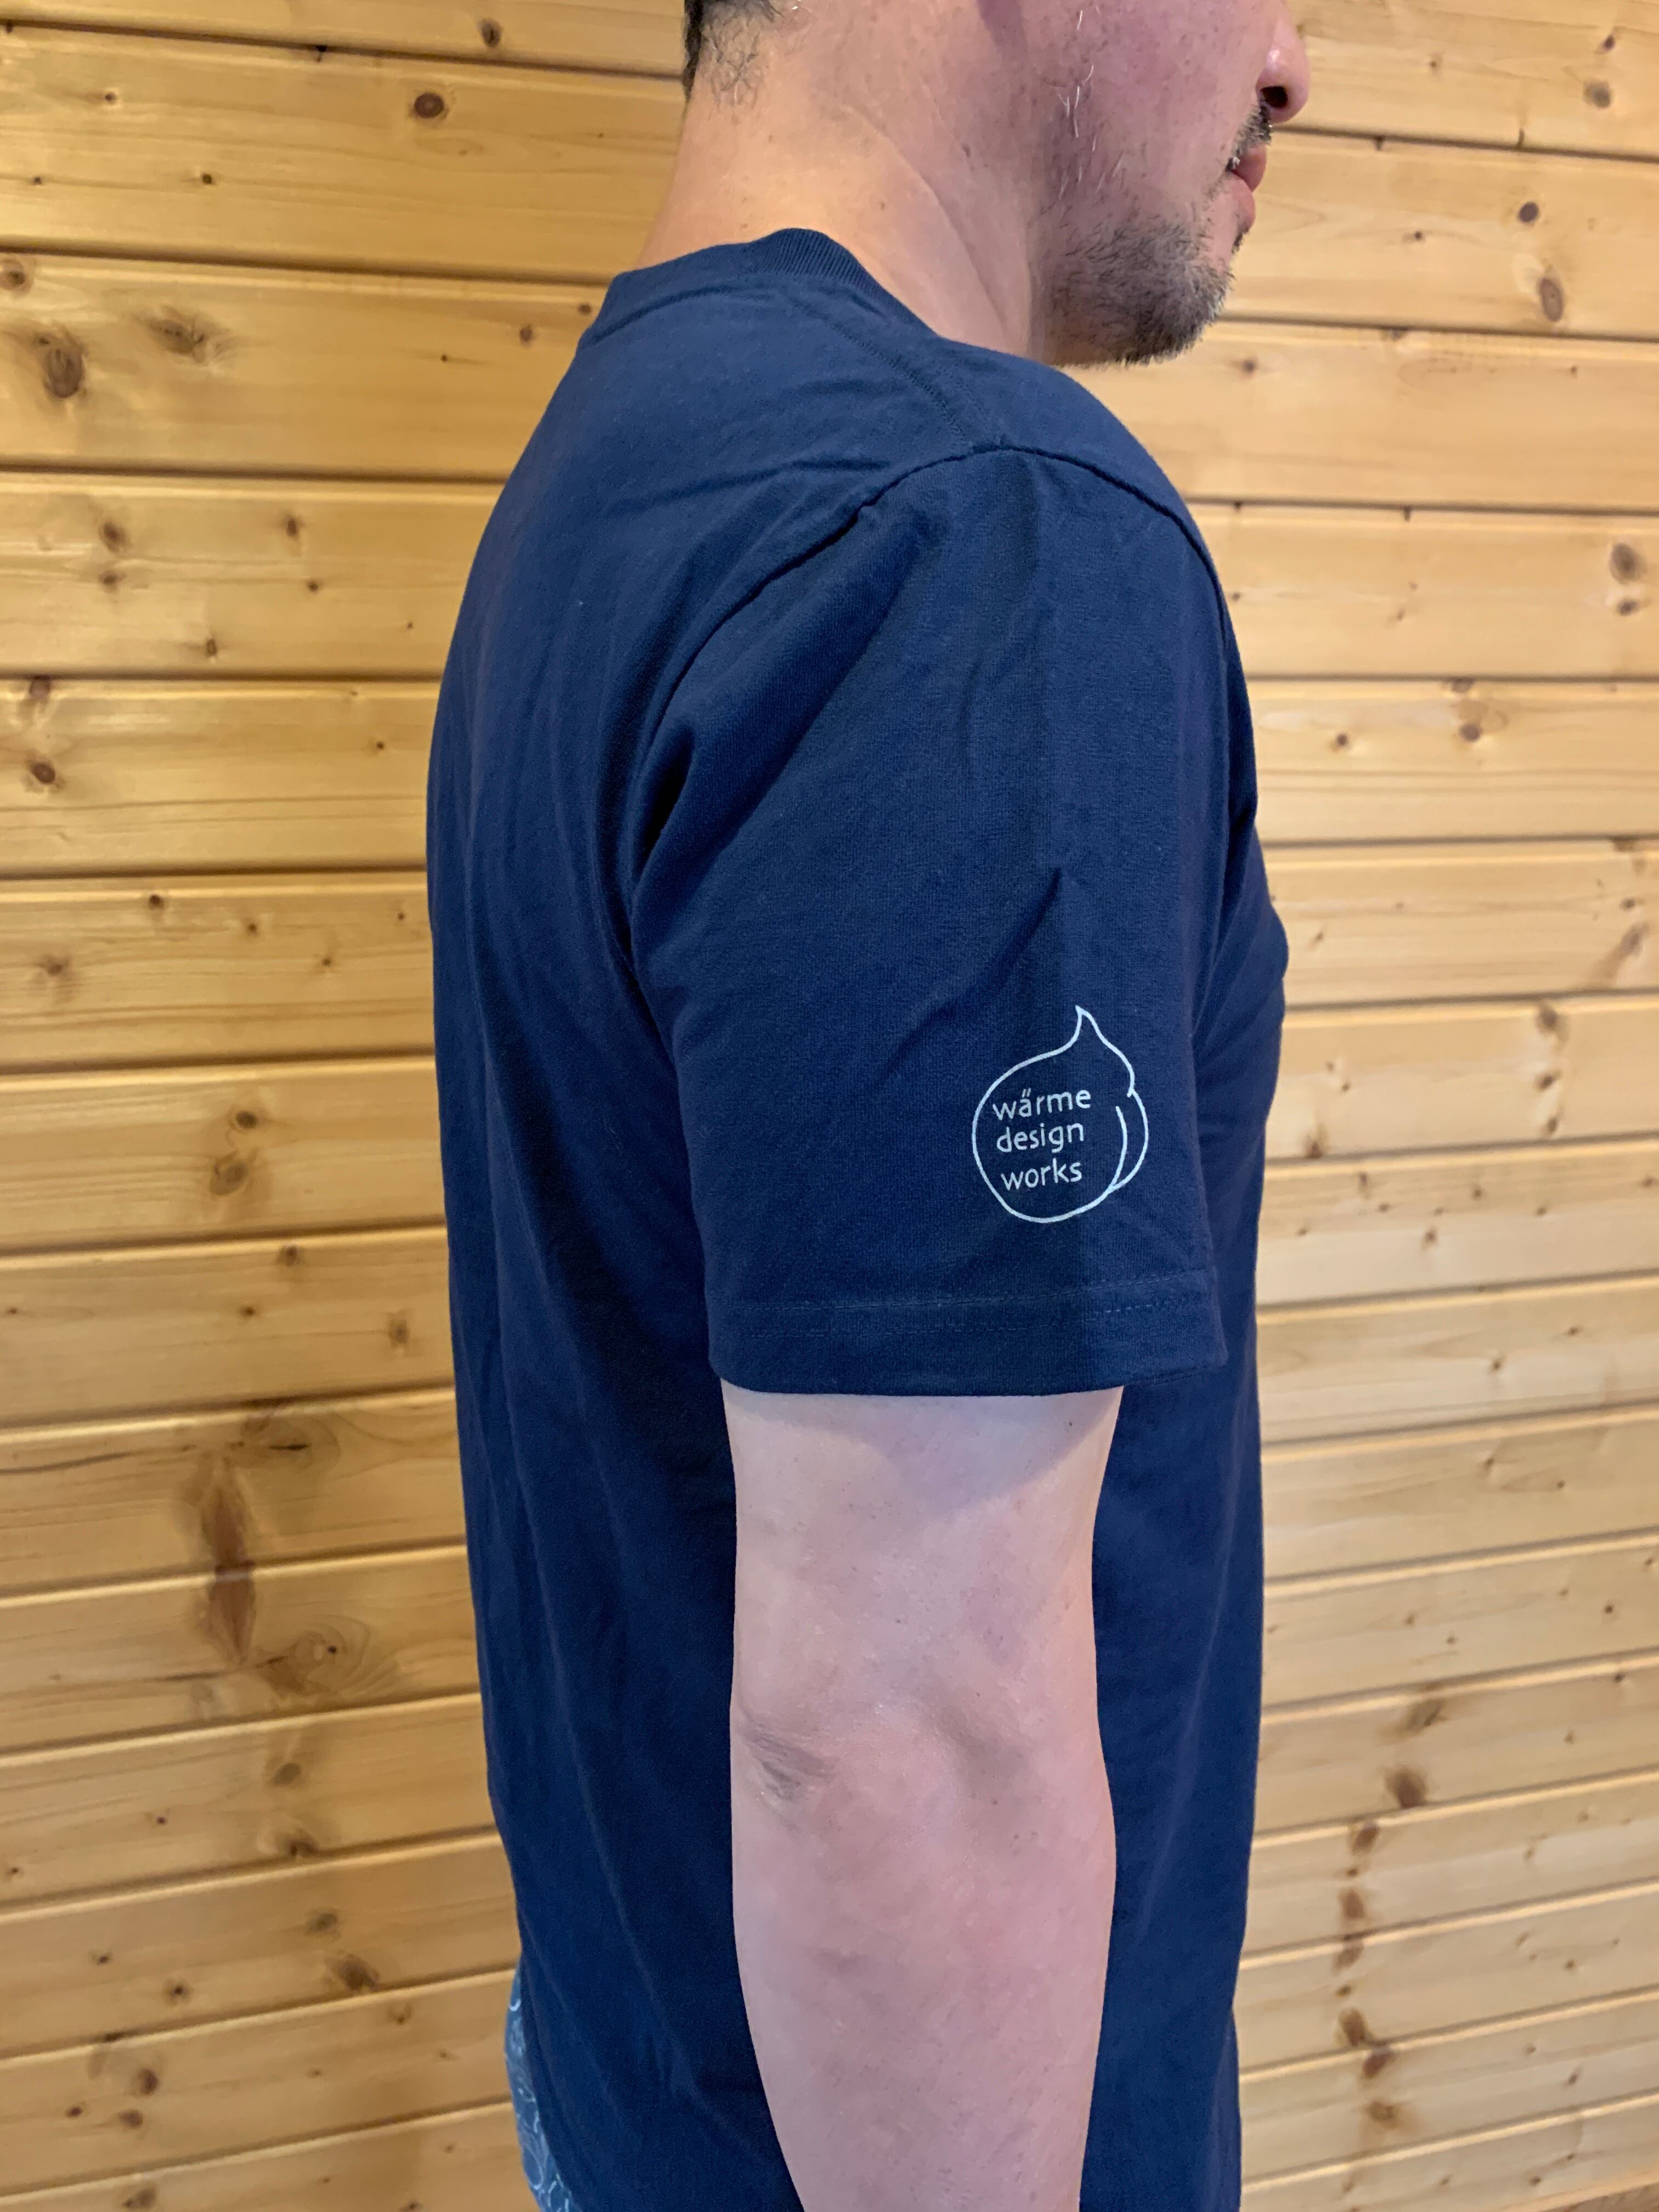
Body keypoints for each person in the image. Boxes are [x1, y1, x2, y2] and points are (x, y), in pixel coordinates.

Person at [425, 1, 1311, 2206]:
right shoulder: (965, 535)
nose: (1297, 64)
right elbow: (910, 1736)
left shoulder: (624, 464)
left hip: (636, 2078)